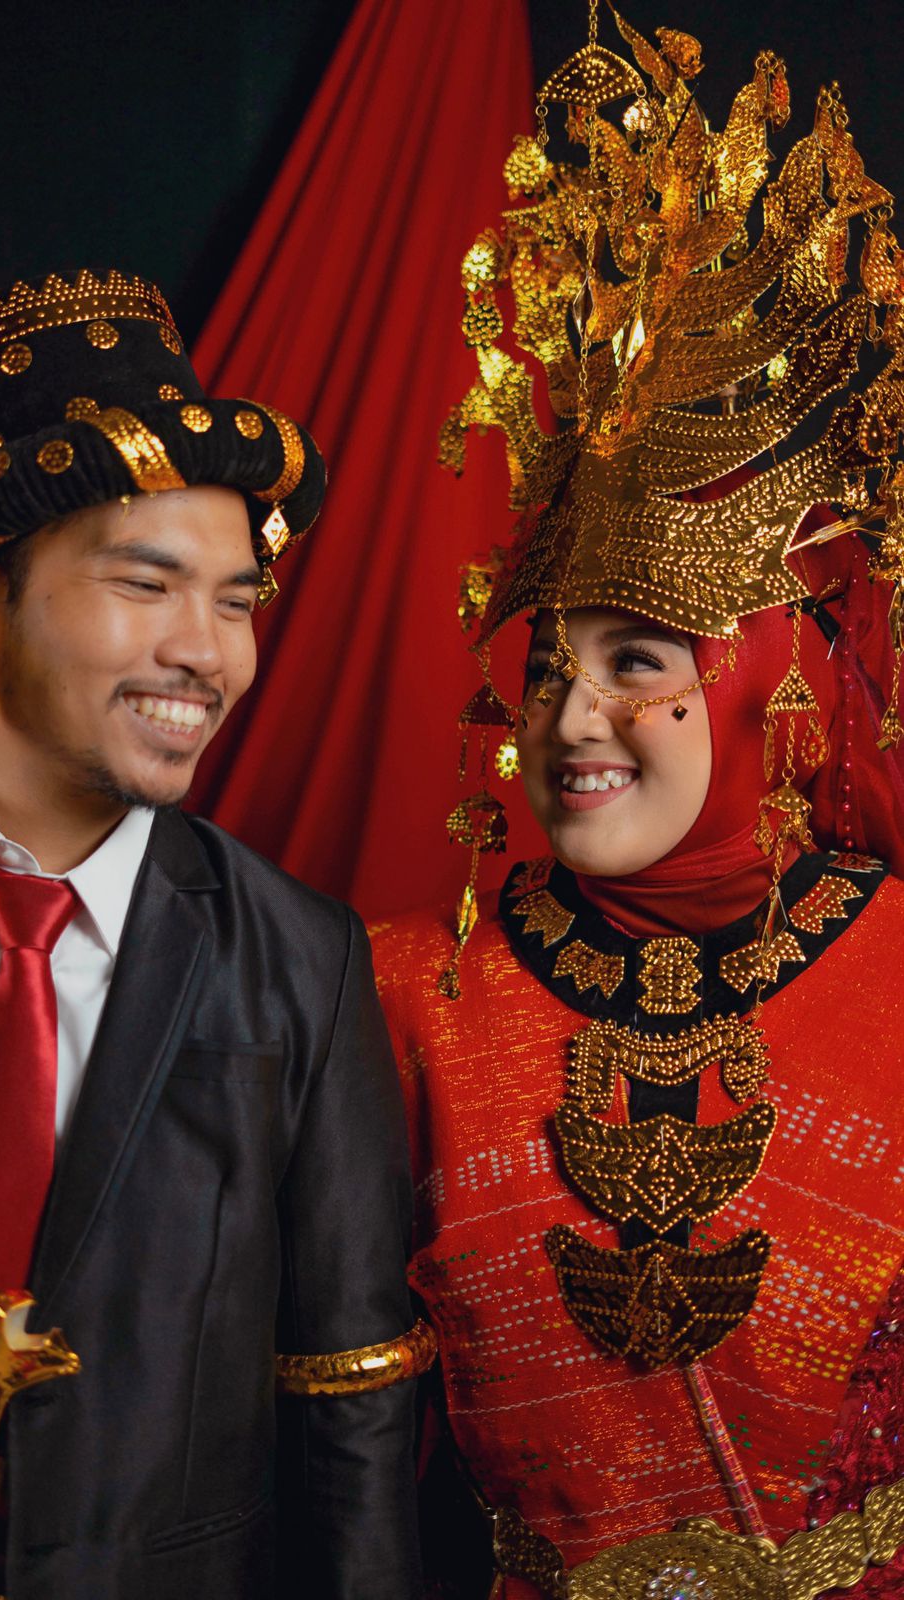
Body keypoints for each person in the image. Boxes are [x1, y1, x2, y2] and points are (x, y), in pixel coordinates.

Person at [372, 15, 904, 1600]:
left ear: (765, 686)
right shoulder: (409, 994)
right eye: (548, 666)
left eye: (638, 663)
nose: (567, 719)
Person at [0, 268, 430, 1598]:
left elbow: (351, 1413)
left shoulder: (301, 963)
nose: (207, 655)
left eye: (237, 601)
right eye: (146, 584)